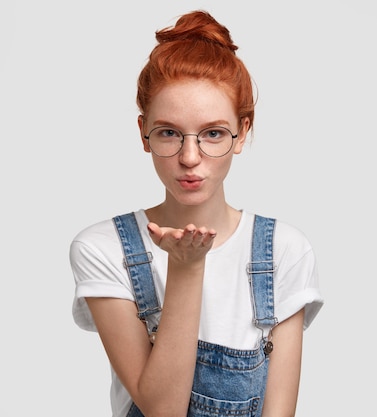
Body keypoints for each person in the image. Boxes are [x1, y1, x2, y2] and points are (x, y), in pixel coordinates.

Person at [70, 10, 324, 417]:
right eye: (169, 132)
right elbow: (162, 409)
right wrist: (186, 267)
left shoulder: (285, 250)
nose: (190, 157)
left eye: (213, 133)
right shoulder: (104, 248)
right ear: (143, 133)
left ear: (242, 132)